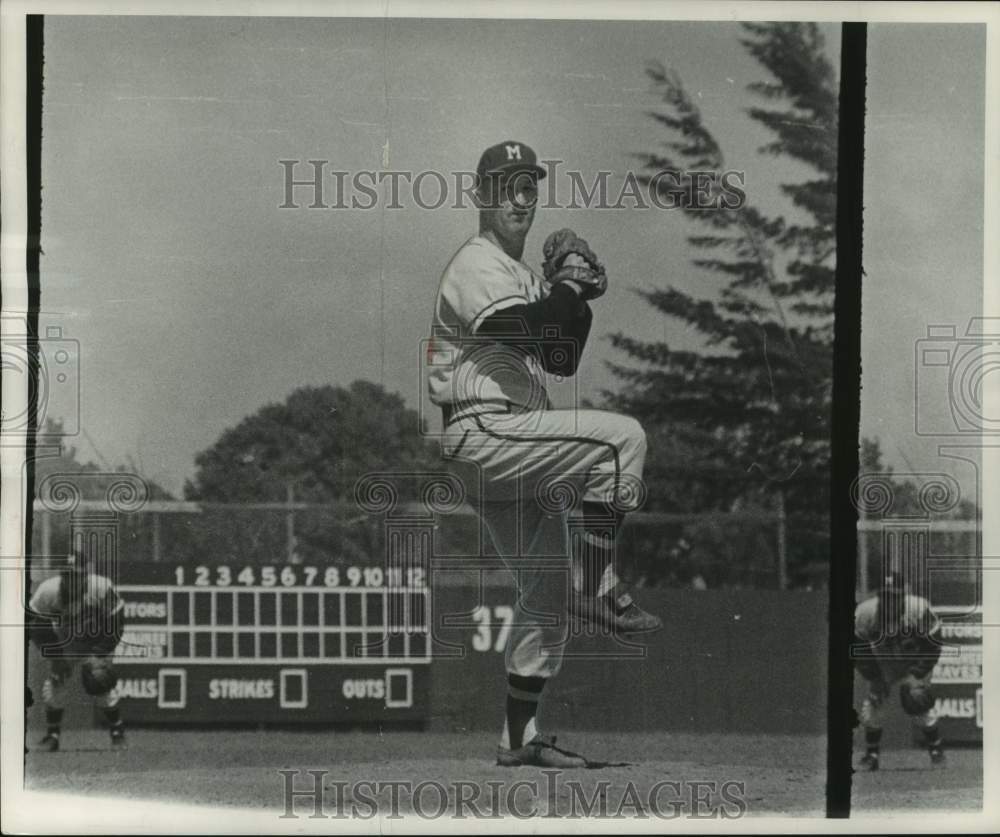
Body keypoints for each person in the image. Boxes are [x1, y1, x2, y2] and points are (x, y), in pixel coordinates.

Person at [426, 140, 660, 767]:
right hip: (486, 434)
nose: (520, 197)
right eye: (506, 186)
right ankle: (599, 581)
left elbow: (560, 356)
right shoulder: (475, 263)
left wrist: (575, 295)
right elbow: (518, 331)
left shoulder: (526, 278)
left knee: (544, 595)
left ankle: (518, 739)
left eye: (529, 185)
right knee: (623, 438)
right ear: (481, 197)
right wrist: (569, 284)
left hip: (512, 451)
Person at [27, 550, 126, 751]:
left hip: (96, 641)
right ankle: (52, 736)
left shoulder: (101, 587)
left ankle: (117, 731)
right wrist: (55, 657)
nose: (72, 580)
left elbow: (116, 624)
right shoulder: (48, 591)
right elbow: (36, 626)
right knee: (55, 684)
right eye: (68, 575)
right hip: (65, 642)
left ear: (85, 575)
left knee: (100, 685)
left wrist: (99, 656)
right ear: (61, 575)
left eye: (77, 575)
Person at [853, 571, 945, 770]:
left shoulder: (919, 609)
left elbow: (934, 645)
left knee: (917, 699)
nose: (890, 601)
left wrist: (917, 674)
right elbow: (858, 649)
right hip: (884, 663)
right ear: (879, 596)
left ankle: (936, 750)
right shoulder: (865, 613)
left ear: (903, 595)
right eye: (886, 596)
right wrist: (874, 678)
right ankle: (872, 755)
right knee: (873, 705)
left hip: (914, 660)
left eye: (894, 596)